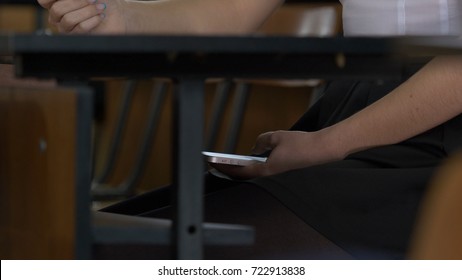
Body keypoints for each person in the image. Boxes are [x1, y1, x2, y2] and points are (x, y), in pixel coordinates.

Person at [37, 0, 462, 259]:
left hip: (438, 142)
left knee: (96, 256)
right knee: (59, 246)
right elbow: (228, 10)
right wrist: (118, 16)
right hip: (355, 115)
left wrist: (328, 145)